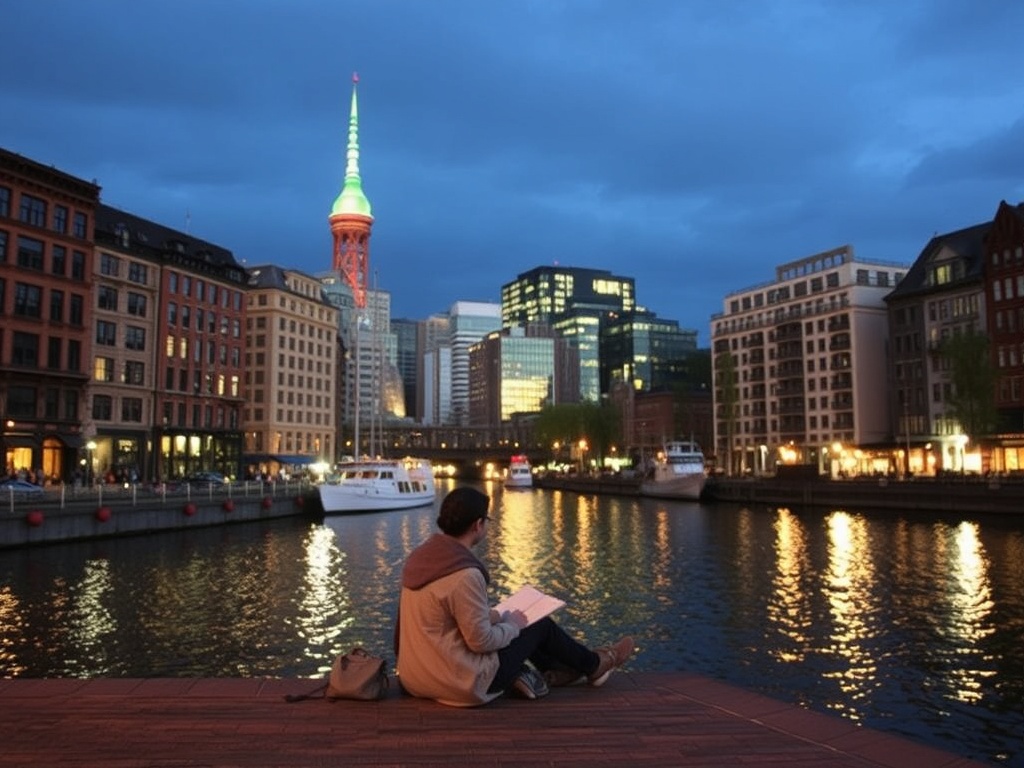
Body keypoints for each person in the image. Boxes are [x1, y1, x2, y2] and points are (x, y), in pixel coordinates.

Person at [395, 486, 634, 707]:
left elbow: (442, 618)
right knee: (537, 624)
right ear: (478, 525)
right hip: (458, 682)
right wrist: (514, 625)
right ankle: (595, 665)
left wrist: (494, 616)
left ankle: (561, 670)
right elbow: (481, 642)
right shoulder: (464, 574)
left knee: (518, 624)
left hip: (415, 678)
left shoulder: (421, 559)